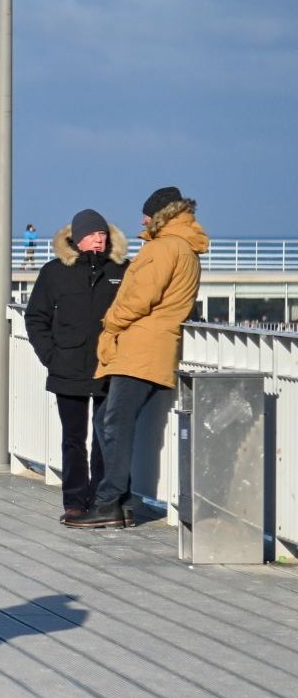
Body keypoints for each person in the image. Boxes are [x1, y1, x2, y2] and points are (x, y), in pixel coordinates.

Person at [65, 187, 207, 529]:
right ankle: (124, 502)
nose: (141, 221)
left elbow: (141, 296)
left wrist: (110, 322)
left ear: (161, 214)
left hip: (142, 347)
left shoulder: (163, 248)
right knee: (108, 423)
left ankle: (109, 502)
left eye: (146, 215)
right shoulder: (184, 247)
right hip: (154, 346)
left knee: (113, 423)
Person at [24, 209, 126, 522]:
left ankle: (101, 500)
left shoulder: (122, 270)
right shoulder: (55, 271)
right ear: (78, 237)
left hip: (108, 365)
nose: (101, 237)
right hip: (67, 366)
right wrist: (51, 356)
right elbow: (36, 317)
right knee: (73, 438)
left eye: (103, 233)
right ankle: (74, 501)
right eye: (94, 233)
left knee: (105, 437)